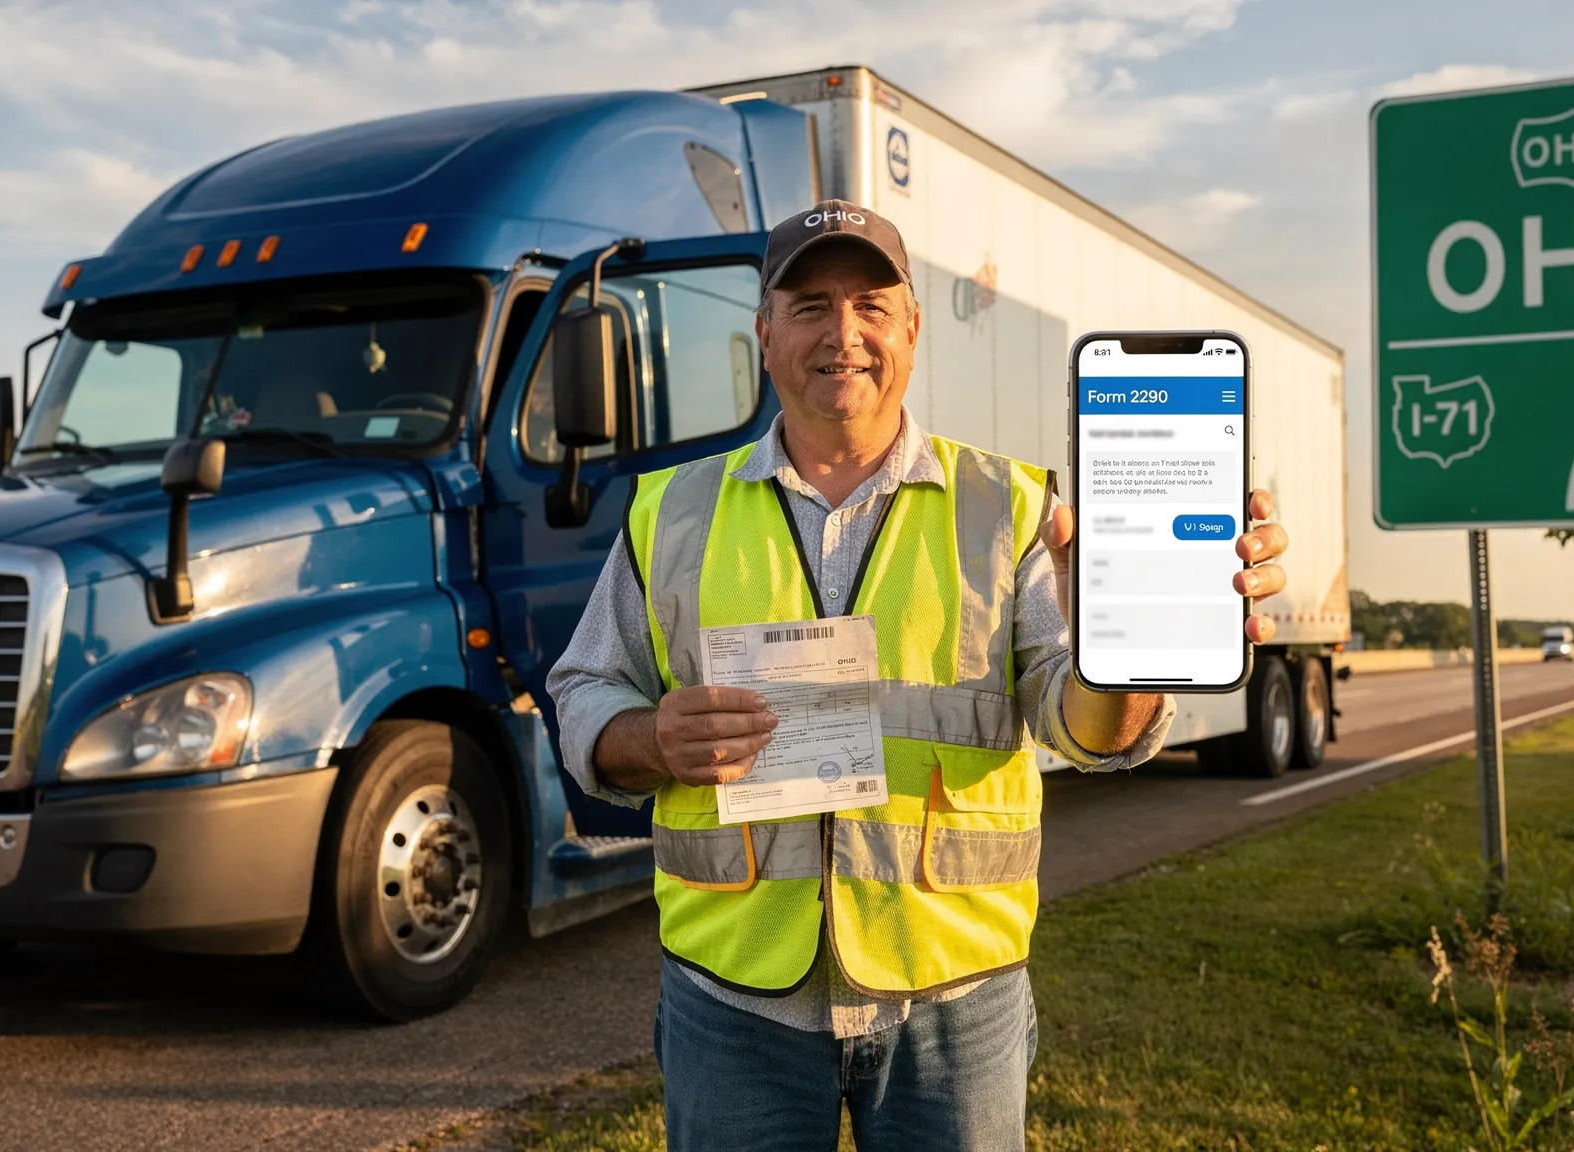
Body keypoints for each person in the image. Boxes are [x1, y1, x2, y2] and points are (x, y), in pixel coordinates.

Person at [546, 200, 1289, 1150]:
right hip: (733, 1004)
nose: (842, 334)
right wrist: (649, 738)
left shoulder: (1014, 510)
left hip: (953, 1004)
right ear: (764, 332)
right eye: (809, 305)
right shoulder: (672, 511)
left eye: (871, 305)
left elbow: (1091, 736)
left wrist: (1126, 641)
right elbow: (583, 691)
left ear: (913, 329)